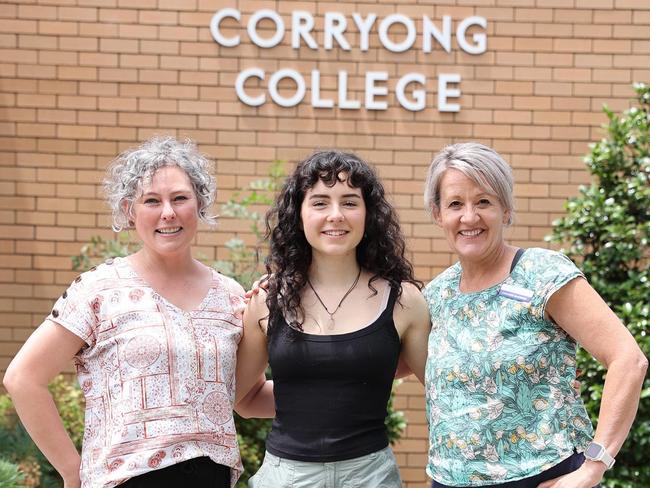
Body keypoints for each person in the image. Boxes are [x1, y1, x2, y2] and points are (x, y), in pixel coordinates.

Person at [3, 136, 248, 488]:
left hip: (211, 476)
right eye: (151, 200)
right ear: (129, 211)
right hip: (125, 480)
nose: (168, 212)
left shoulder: (230, 296)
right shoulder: (99, 290)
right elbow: (23, 378)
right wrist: (73, 472)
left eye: (180, 198)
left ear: (200, 204)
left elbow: (244, 393)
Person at [421, 142, 648, 488]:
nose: (469, 217)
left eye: (484, 201)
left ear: (506, 210)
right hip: (448, 479)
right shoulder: (436, 295)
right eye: (455, 204)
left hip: (545, 476)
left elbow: (628, 360)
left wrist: (594, 466)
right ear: (438, 215)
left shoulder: (542, 273)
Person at [235, 149, 431, 487]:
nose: (336, 215)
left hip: (371, 477)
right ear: (298, 215)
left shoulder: (404, 301)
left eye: (350, 202)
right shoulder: (268, 301)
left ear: (369, 215)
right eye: (320, 202)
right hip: (286, 478)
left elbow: (447, 389)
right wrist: (309, 397)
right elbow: (246, 399)